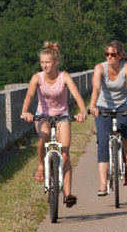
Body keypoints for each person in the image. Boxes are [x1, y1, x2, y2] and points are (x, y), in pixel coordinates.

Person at [21, 42, 87, 207]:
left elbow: (76, 94)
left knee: (65, 153)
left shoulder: (64, 77)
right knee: (43, 137)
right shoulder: (37, 78)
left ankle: (68, 194)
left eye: (47, 62)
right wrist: (25, 111)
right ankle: (40, 166)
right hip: (42, 115)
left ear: (55, 62)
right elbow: (29, 95)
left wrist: (82, 111)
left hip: (62, 115)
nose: (44, 65)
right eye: (42, 62)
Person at [88, 40, 127, 196]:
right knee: (103, 141)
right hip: (103, 106)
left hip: (124, 105)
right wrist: (92, 105)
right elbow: (96, 88)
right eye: (107, 54)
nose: (109, 57)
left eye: (113, 54)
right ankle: (103, 183)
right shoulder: (100, 68)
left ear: (120, 56)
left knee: (123, 127)